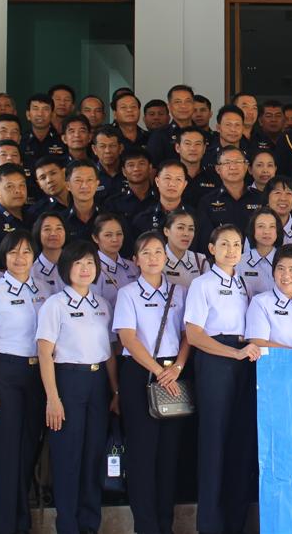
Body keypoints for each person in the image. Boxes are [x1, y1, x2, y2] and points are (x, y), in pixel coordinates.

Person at [36, 241, 118, 534]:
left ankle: (89, 524)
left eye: (90, 264)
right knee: (68, 458)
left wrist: (115, 391)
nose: (85, 269)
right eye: (78, 263)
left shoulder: (102, 304)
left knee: (94, 456)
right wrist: (52, 399)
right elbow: (45, 353)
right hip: (67, 382)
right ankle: (67, 526)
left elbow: (109, 352)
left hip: (97, 385)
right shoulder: (55, 305)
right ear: (66, 268)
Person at [184, 224, 261, 534]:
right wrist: (232, 354)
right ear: (211, 249)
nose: (232, 250)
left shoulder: (242, 282)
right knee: (213, 443)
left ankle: (234, 522)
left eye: (237, 245)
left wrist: (242, 354)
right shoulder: (202, 284)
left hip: (242, 359)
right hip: (217, 360)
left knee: (238, 443)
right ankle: (210, 525)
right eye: (225, 244)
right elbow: (194, 335)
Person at [113, 231, 191, 534]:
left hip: (175, 373)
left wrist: (178, 367)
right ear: (136, 260)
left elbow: (188, 334)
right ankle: (145, 526)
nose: (153, 258)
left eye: (158, 252)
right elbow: (127, 338)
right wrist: (159, 371)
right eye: (145, 253)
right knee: (143, 455)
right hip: (142, 374)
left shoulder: (180, 292)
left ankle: (165, 524)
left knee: (169, 456)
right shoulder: (128, 294)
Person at [0, 229, 46, 534]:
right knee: (5, 451)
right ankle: (2, 525)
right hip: (5, 372)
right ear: (4, 257)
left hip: (36, 374)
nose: (20, 258)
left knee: (28, 449)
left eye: (26, 252)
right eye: (14, 252)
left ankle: (21, 521)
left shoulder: (43, 289)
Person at [195, 146, 264, 252]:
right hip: (221, 260)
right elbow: (205, 240)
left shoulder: (261, 199)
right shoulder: (207, 202)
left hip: (256, 262)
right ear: (218, 169)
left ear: (246, 166)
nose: (233, 167)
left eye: (237, 162)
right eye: (227, 163)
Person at [92, 213, 139, 308]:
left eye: (119, 234)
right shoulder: (91, 268)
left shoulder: (133, 266)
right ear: (96, 238)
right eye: (108, 235)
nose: (115, 239)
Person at [146, 85, 198, 165]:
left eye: (188, 101)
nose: (183, 106)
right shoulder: (159, 136)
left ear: (194, 105)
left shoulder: (203, 134)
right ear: (169, 106)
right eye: (177, 102)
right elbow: (152, 170)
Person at [162, 210, 208, 294]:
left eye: (191, 229)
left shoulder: (200, 261)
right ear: (166, 231)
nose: (186, 234)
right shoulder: (155, 259)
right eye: (180, 228)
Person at [239, 207, 282, 296]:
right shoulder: (239, 262)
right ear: (253, 230)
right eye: (261, 226)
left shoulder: (285, 260)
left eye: (272, 226)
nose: (267, 231)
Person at [263, 176, 292, 248]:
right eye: (277, 192)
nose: (283, 198)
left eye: (288, 193)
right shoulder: (257, 229)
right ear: (267, 198)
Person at [31, 212, 67, 296]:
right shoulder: (32, 271)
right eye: (47, 229)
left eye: (59, 228)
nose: (54, 233)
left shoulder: (76, 265)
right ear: (38, 233)